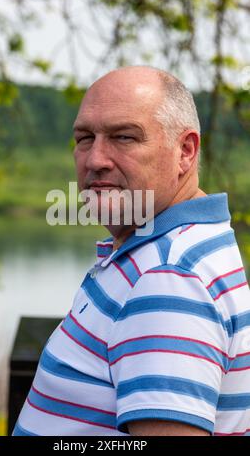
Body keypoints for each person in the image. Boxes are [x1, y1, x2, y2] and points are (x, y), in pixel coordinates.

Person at [13, 66, 250, 436]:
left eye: (124, 137)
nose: (95, 160)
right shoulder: (158, 249)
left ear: (185, 151)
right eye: (85, 138)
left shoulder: (170, 278)